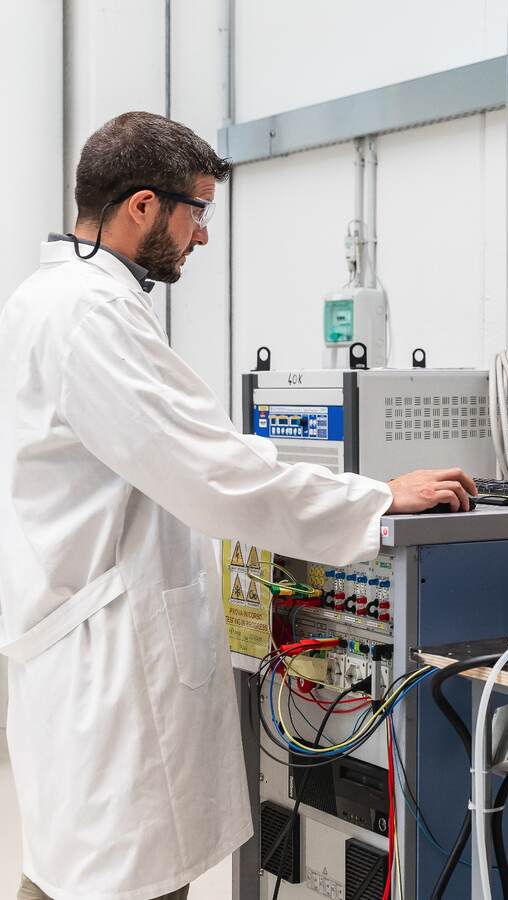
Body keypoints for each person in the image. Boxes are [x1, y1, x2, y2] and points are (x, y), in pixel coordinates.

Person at [0, 111, 476, 900]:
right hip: (107, 672)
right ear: (143, 206)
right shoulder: (89, 316)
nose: (203, 237)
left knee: (72, 877)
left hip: (78, 654)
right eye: (198, 212)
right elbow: (215, 472)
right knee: (112, 883)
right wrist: (378, 497)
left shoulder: (48, 298)